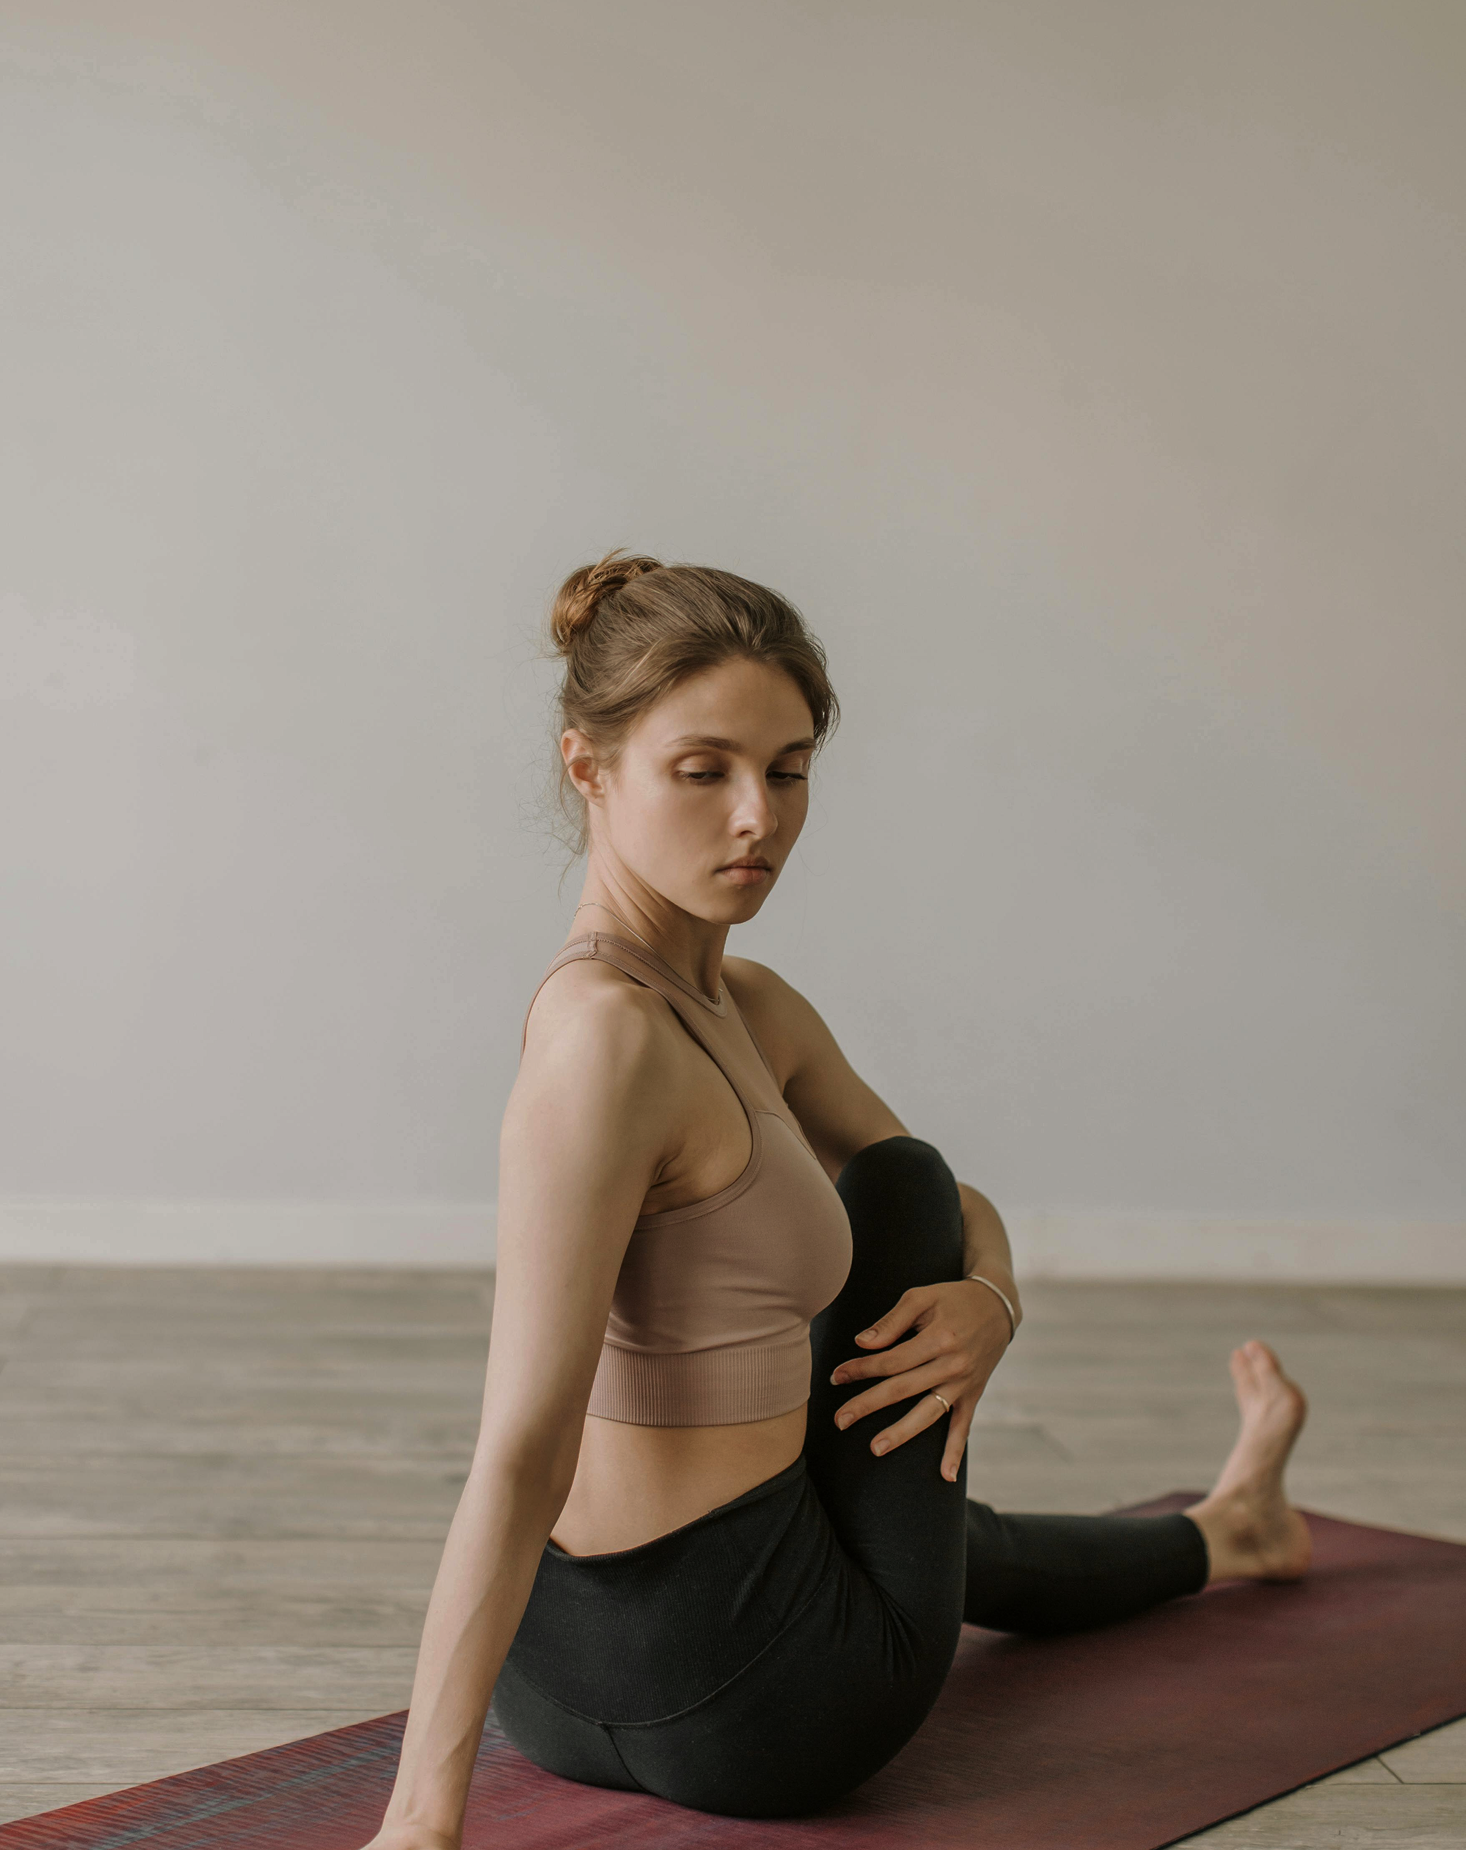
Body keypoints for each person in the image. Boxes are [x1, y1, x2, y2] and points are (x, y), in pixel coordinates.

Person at [363, 552, 1311, 1849]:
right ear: (588, 767)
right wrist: (420, 1821)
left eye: (788, 768)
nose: (756, 814)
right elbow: (520, 1442)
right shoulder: (606, 1042)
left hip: (561, 1682)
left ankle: (1229, 1529)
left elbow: (966, 1210)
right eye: (703, 770)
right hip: (766, 1700)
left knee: (913, 1232)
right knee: (904, 1193)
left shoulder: (746, 1008)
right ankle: (1229, 1530)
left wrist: (991, 1293)